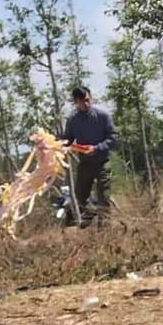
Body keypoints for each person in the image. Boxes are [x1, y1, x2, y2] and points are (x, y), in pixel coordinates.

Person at [60, 86, 118, 228]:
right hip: (85, 163)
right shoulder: (73, 120)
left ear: (90, 97)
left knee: (103, 196)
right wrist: (54, 143)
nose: (86, 104)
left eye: (87, 100)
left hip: (102, 161)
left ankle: (104, 229)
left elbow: (113, 137)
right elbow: (68, 138)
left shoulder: (103, 116)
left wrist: (97, 148)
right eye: (82, 101)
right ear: (76, 102)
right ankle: (90, 213)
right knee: (80, 196)